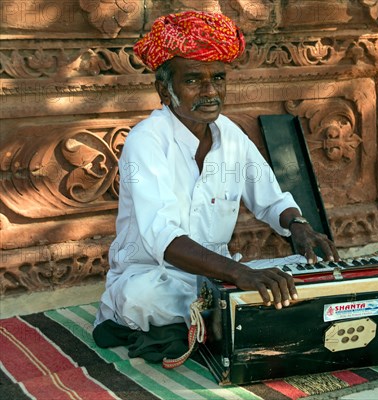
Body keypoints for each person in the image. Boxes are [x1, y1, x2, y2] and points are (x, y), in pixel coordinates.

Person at [93, 10, 339, 361]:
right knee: (142, 297)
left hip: (218, 278)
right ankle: (224, 319)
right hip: (157, 276)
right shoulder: (146, 141)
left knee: (292, 279)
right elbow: (163, 238)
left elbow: (270, 201)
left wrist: (298, 226)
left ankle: (216, 321)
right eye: (193, 80)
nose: (210, 92)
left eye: (218, 78)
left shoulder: (231, 135)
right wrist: (238, 274)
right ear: (164, 89)